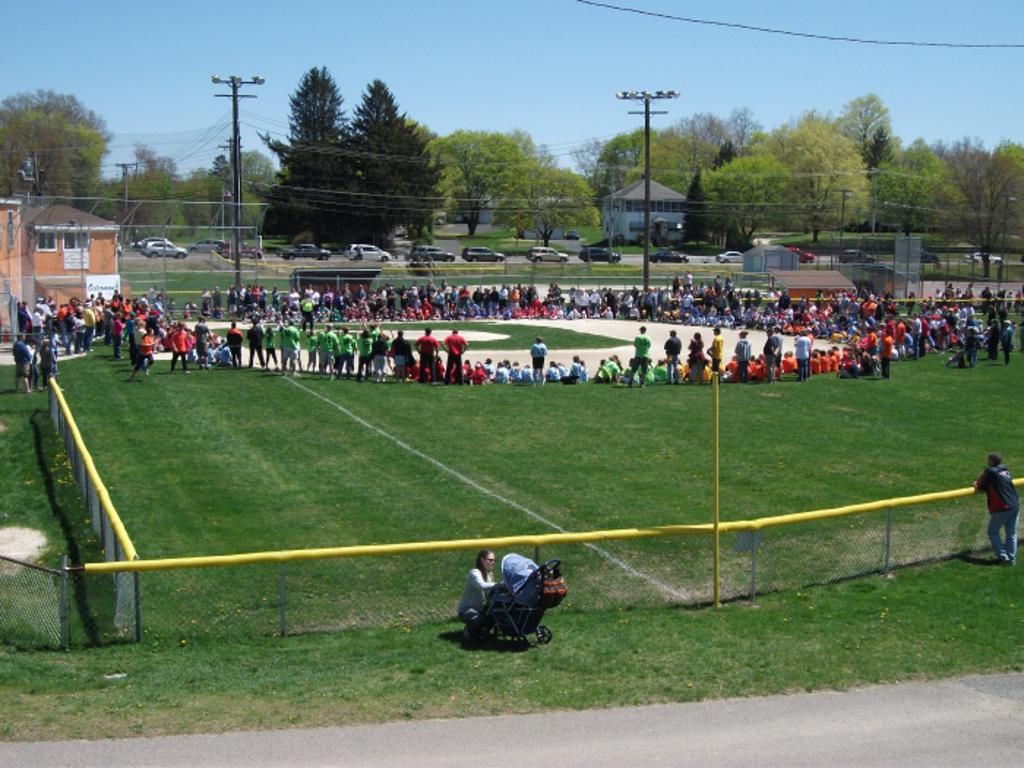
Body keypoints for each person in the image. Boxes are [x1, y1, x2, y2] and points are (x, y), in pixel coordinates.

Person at [974, 453, 1019, 565]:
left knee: (992, 531)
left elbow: (980, 485)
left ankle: (1003, 557)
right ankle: (1011, 559)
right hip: (1015, 504)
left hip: (1003, 507)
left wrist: (976, 483)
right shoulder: (1005, 469)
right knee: (1011, 533)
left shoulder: (990, 471)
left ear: (991, 462)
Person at [457, 549, 500, 641]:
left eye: (494, 561)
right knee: (476, 618)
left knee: (497, 615)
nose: (492, 563)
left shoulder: (490, 575)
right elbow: (482, 585)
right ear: (481, 560)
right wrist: (499, 585)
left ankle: (481, 633)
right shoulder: (474, 573)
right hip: (467, 610)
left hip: (482, 609)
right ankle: (467, 632)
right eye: (489, 560)